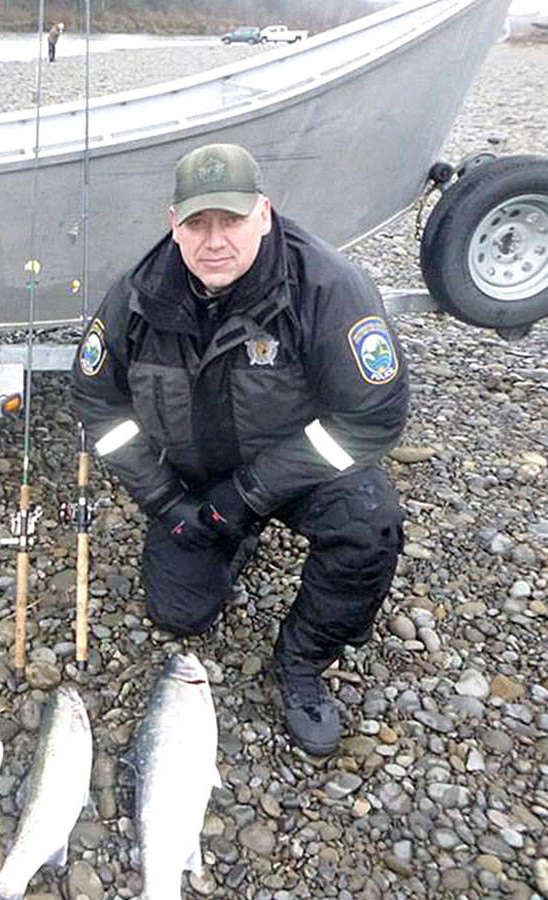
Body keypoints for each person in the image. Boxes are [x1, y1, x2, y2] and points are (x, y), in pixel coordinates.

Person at [72, 143, 408, 756]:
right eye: (197, 223)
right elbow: (96, 403)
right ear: (174, 225)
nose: (214, 240)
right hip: (190, 481)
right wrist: (164, 500)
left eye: (231, 220)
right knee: (180, 617)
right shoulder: (135, 294)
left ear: (265, 213)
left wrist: (249, 493)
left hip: (294, 470)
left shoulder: (330, 287)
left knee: (370, 524)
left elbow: (372, 417)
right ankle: (228, 538)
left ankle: (303, 661)